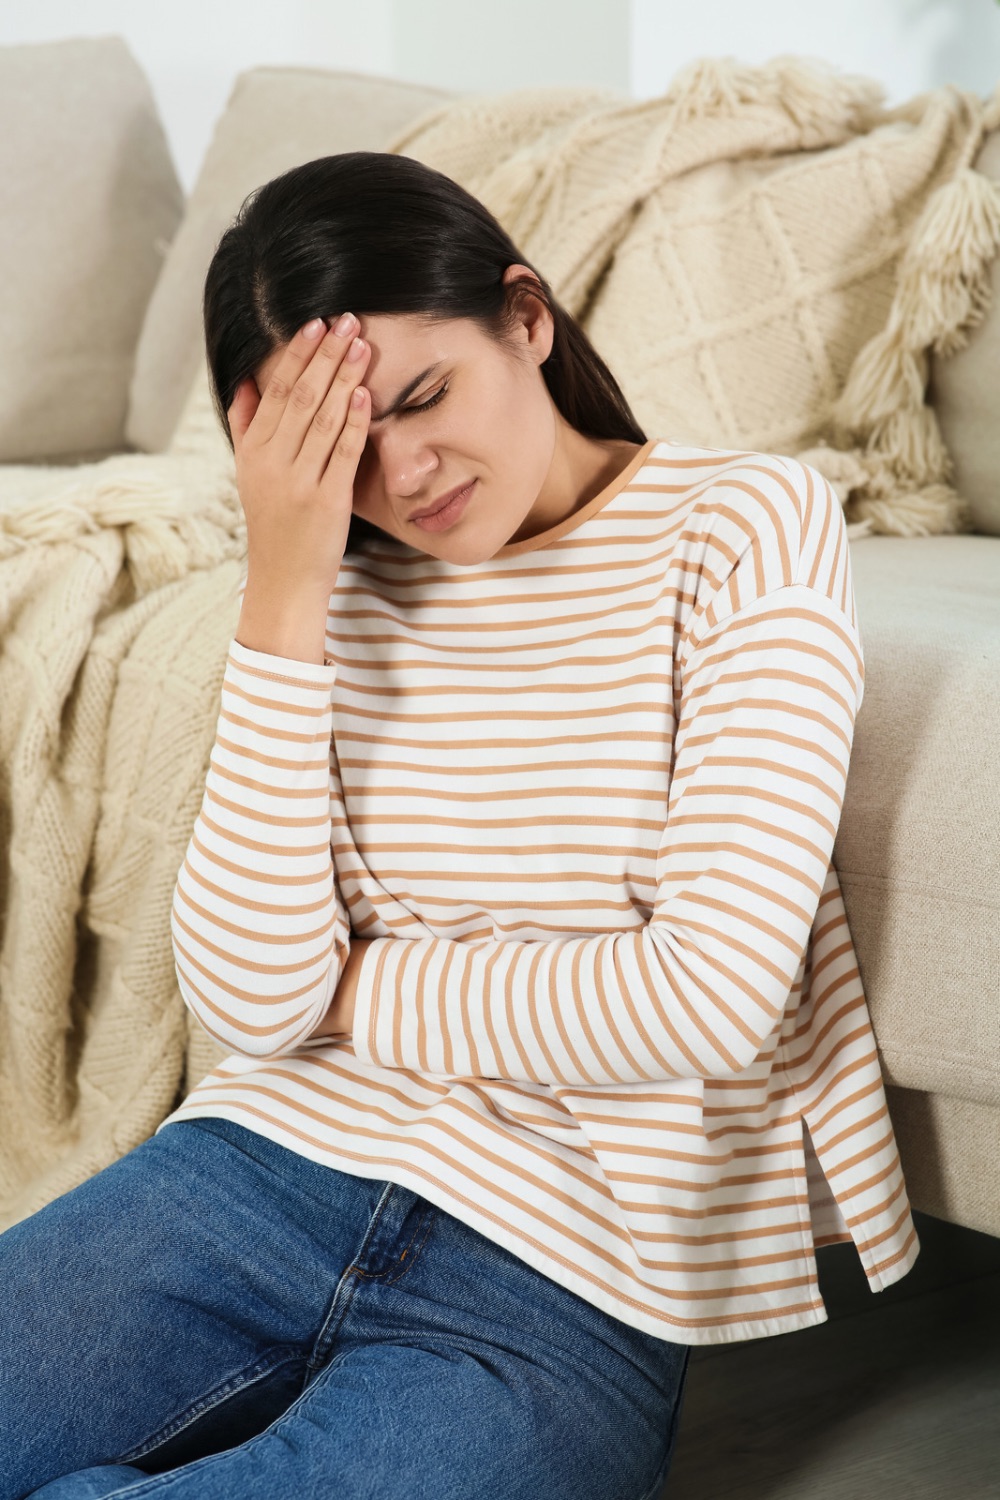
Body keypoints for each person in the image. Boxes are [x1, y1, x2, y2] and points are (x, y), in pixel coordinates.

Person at [0, 150, 919, 1500]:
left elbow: (707, 1000)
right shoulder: (327, 594)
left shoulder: (741, 526)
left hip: (567, 1276)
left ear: (527, 319)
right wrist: (285, 588)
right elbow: (257, 1004)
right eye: (344, 445)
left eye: (425, 397)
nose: (406, 473)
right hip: (255, 1172)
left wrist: (351, 989)